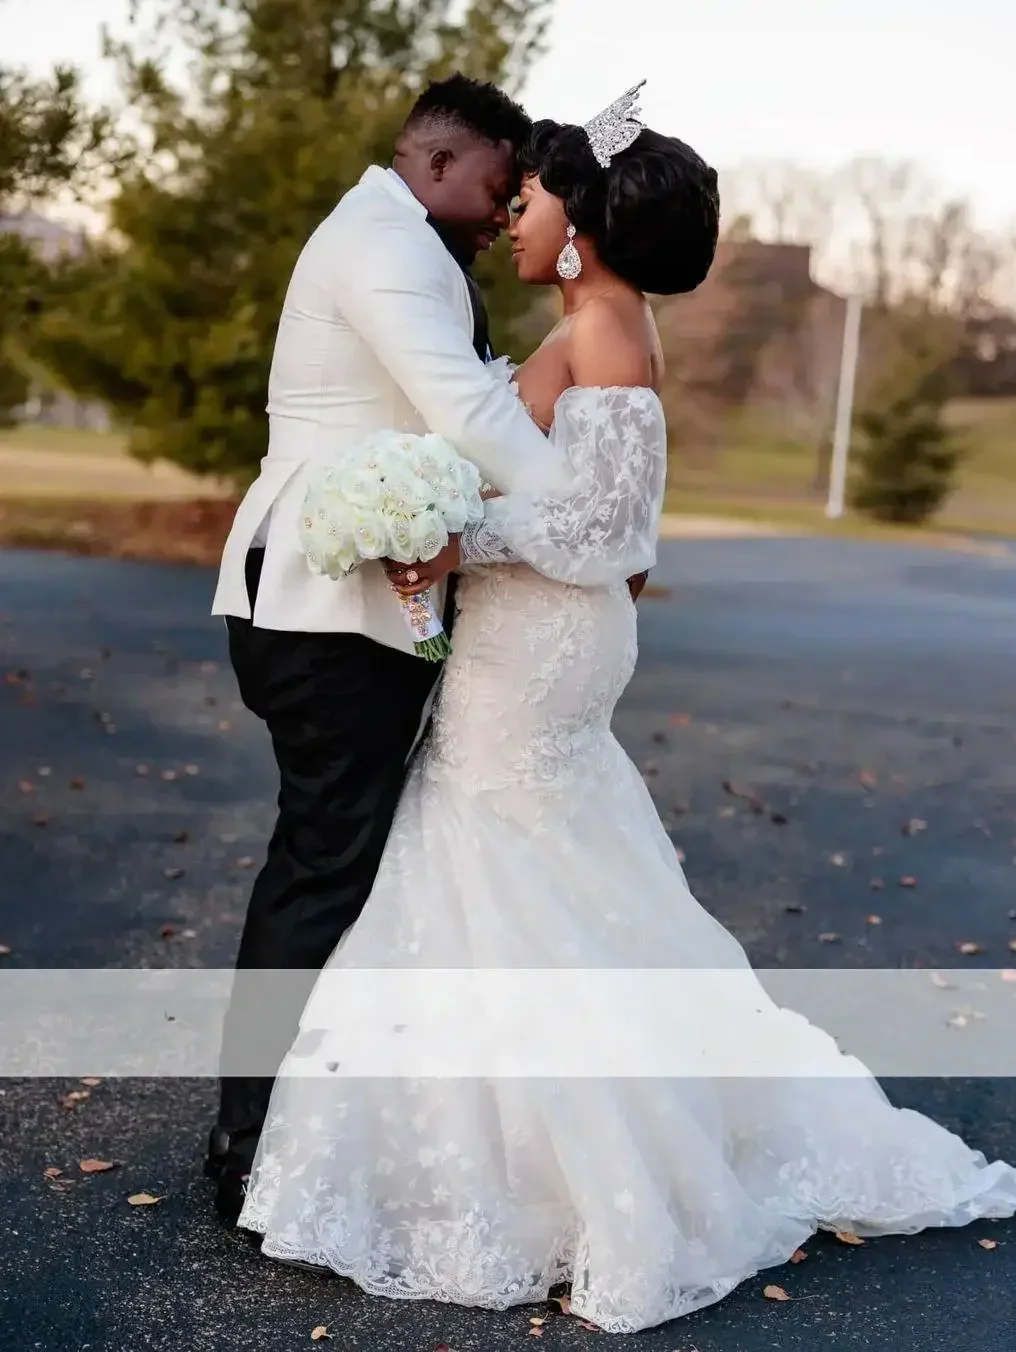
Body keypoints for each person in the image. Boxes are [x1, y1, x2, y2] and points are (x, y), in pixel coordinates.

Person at [234, 86, 1016, 1333]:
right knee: (530, 871)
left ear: (586, 225)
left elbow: (611, 531)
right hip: (535, 633)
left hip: (544, 642)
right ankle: (514, 1141)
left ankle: (574, 1162)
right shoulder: (596, 318)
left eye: (537, 196)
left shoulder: (608, 328)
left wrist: (463, 538)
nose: (518, 212)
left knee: (510, 865)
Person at [206, 74, 642, 1221]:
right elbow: (470, 414)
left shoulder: (408, 239)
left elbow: (479, 398)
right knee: (323, 867)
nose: (504, 213)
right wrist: (595, 518)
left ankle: (311, 1128)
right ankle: (250, 1143)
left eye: (520, 199)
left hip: (354, 598)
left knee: (343, 866)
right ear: (441, 163)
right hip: (322, 599)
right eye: (499, 187)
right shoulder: (389, 247)